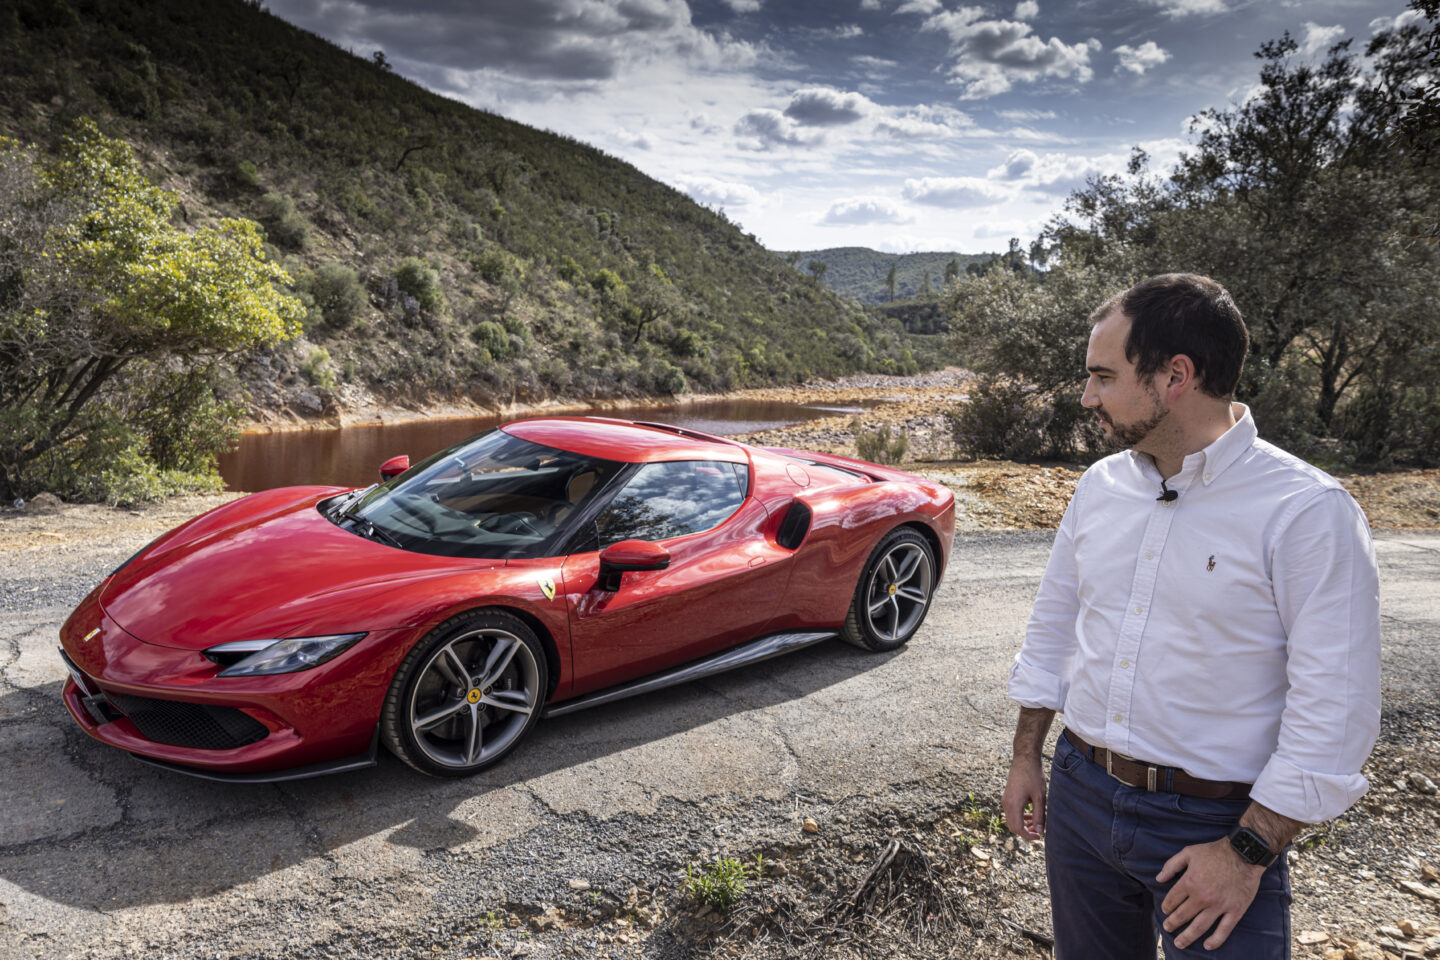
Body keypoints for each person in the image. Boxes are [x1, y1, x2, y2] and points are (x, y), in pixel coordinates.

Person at [1001, 273, 1381, 958]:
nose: (1089, 397)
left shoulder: (1307, 512)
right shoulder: (1100, 487)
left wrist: (1244, 853)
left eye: (1102, 376)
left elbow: (1336, 710)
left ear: (1175, 375)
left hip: (1218, 823)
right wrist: (1028, 754)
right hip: (1080, 800)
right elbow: (1055, 625)